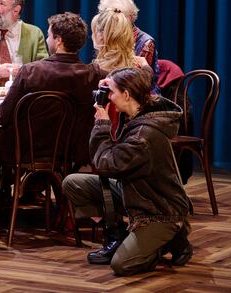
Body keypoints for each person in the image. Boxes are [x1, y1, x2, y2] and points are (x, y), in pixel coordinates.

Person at [62, 66, 193, 276]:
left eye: (112, 92)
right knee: (73, 183)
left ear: (127, 95)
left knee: (122, 264)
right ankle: (123, 237)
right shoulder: (139, 113)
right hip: (137, 194)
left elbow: (107, 164)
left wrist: (102, 126)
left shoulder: (143, 136)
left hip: (159, 210)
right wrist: (112, 81)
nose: (108, 97)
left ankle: (171, 239)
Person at [0, 12, 105, 168]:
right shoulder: (93, 75)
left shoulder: (30, 71)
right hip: (71, 151)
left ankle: (5, 190)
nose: (47, 40)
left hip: (28, 149)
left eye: (49, 36)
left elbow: (3, 116)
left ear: (58, 41)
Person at [98, 0, 159, 79]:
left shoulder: (145, 42)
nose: (112, 22)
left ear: (130, 17)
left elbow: (136, 80)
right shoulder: (105, 36)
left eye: (118, 16)